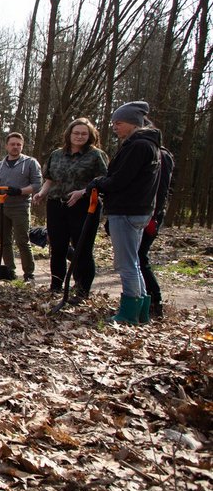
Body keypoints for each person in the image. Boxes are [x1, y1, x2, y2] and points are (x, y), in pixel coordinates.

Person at [67, 101, 161, 324]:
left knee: (126, 263)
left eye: (118, 123)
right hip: (136, 210)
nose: (115, 127)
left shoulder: (139, 146)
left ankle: (129, 314)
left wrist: (98, 182)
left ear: (132, 123)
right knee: (133, 262)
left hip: (128, 211)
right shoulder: (147, 145)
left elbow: (120, 180)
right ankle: (141, 310)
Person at [32, 118, 108, 303]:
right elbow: (50, 179)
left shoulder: (96, 155)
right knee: (57, 247)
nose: (80, 136)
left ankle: (82, 290)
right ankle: (56, 286)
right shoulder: (57, 154)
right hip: (57, 204)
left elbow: (104, 181)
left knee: (82, 248)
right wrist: (41, 193)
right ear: (69, 134)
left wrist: (83, 192)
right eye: (76, 133)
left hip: (84, 207)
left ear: (90, 136)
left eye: (84, 133)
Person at [0, 133, 42, 282]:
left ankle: (28, 273)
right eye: (12, 144)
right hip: (2, 205)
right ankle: (9, 271)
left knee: (22, 240)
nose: (15, 147)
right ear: (7, 146)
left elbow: (37, 185)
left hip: (21, 206)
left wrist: (19, 191)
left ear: (22, 146)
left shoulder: (30, 163)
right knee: (5, 240)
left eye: (18, 144)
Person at [139, 143, 174, 318]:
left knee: (139, 256)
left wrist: (153, 216)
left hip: (148, 215)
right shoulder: (135, 150)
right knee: (135, 257)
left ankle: (154, 301)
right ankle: (143, 300)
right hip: (134, 213)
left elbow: (161, 189)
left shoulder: (160, 155)